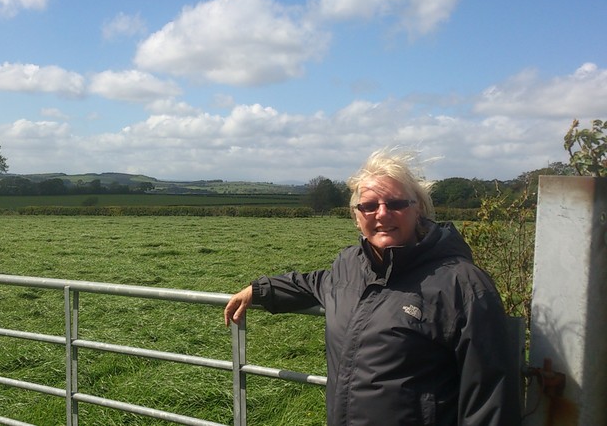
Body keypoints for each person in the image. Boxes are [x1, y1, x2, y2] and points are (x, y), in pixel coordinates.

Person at [223, 147, 521, 426]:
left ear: (419, 209)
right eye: (368, 206)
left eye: (395, 203)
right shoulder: (349, 266)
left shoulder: (462, 284)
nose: (381, 213)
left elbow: (490, 399)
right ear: (356, 216)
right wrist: (260, 290)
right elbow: (315, 282)